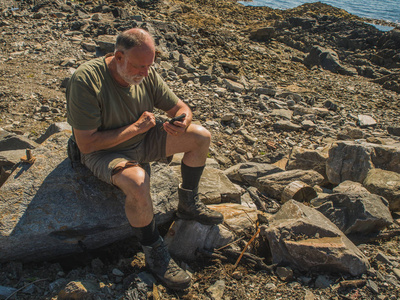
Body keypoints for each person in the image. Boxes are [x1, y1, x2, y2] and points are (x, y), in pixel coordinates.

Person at [66, 27, 224, 290]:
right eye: (140, 66)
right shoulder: (87, 80)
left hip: (144, 139)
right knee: (138, 182)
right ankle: (155, 252)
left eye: (149, 66)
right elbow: (87, 142)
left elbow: (181, 107)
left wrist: (183, 120)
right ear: (118, 57)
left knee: (201, 137)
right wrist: (136, 128)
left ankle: (188, 203)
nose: (146, 73)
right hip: (104, 152)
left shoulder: (144, 72)